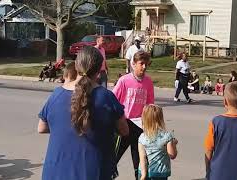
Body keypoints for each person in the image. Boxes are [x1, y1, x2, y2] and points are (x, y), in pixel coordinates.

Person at [37, 46, 129, 180]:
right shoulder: (106, 98)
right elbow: (124, 130)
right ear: (99, 70)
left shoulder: (56, 94)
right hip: (92, 171)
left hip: (55, 171)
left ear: (76, 65)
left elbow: (42, 127)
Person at [113, 51, 154, 180]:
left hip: (140, 128)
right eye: (141, 64)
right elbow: (112, 100)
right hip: (123, 125)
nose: (144, 67)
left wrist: (150, 125)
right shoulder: (124, 80)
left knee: (140, 160)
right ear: (133, 64)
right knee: (112, 157)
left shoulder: (148, 82)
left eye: (146, 64)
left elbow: (150, 106)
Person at [138, 104, 178, 180]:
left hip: (145, 172)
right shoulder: (167, 136)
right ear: (160, 119)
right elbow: (172, 155)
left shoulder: (142, 137)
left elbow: (142, 157)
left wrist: (143, 175)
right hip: (160, 173)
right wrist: (174, 144)